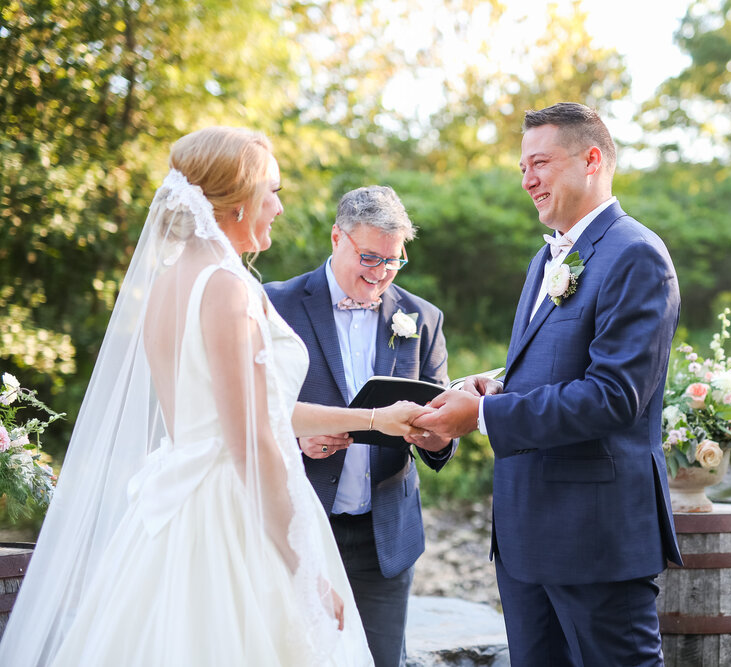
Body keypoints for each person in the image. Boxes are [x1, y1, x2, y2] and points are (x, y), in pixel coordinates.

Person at [0, 127, 430, 667]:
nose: (277, 205)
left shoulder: (169, 282)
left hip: (175, 510)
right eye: (271, 191)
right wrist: (304, 572)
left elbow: (250, 413)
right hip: (231, 519)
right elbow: (253, 442)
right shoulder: (226, 287)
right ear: (238, 198)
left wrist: (375, 419)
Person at [414, 103, 684, 666]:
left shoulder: (635, 254)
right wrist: (493, 387)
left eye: (540, 163)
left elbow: (614, 396)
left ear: (591, 160)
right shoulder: (546, 260)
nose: (527, 179)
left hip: (593, 534)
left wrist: (483, 418)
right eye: (521, 167)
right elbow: (553, 366)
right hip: (525, 529)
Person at [265, 185, 457, 667]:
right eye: (370, 258)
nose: (381, 274)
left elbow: (439, 419)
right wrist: (296, 437)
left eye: (394, 261)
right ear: (337, 237)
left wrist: (437, 436)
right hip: (299, 527)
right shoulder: (275, 304)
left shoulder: (421, 317)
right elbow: (248, 412)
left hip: (385, 538)